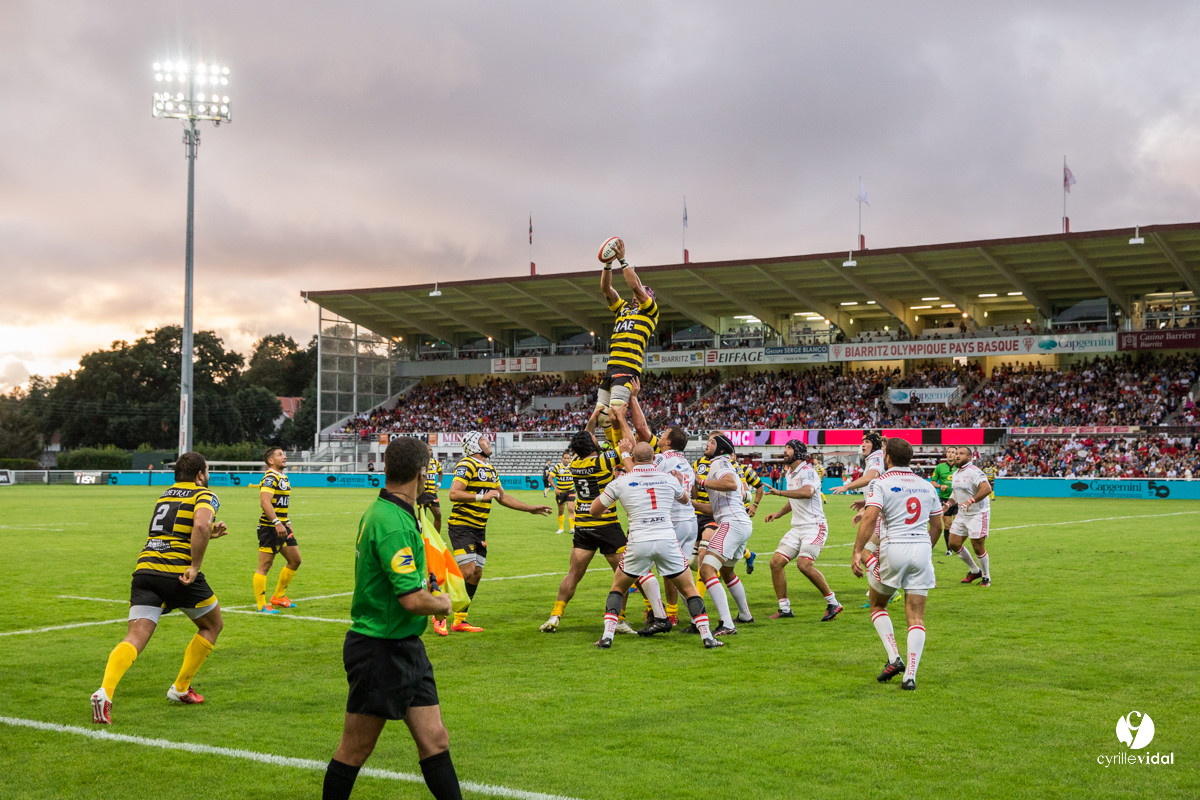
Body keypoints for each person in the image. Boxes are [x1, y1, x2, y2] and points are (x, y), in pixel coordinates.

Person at [322, 437, 463, 800]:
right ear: (422, 473)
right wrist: (443, 603)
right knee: (355, 749)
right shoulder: (394, 523)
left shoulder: (391, 513)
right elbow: (413, 600)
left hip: (405, 646)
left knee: (435, 740)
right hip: (379, 650)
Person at [90, 452, 228, 724]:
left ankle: (105, 691)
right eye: (207, 471)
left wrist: (208, 534)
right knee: (212, 625)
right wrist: (195, 566)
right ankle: (180, 688)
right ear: (200, 474)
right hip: (177, 572)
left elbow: (177, 530)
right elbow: (200, 524)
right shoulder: (205, 494)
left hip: (146, 569)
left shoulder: (165, 495)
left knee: (135, 637)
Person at [589, 441, 723, 649]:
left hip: (638, 541)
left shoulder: (622, 481)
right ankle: (707, 637)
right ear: (654, 458)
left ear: (632, 459)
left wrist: (605, 509)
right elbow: (686, 499)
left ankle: (607, 636)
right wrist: (679, 483)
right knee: (689, 589)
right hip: (667, 540)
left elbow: (594, 510)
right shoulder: (668, 479)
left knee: (617, 587)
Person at [539, 413, 662, 634]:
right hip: (606, 525)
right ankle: (623, 619)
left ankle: (555, 616)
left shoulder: (575, 463)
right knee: (625, 574)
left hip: (583, 527)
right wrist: (623, 432)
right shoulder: (603, 460)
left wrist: (595, 415)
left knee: (573, 574)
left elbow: (586, 438)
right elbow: (632, 448)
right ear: (593, 444)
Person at [851, 438, 943, 691]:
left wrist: (857, 551)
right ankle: (910, 676)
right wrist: (926, 548)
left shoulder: (880, 482)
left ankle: (894, 658)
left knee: (878, 603)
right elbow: (938, 526)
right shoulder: (927, 485)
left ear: (887, 458)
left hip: (894, 547)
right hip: (922, 548)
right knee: (916, 616)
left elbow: (870, 519)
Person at [445, 432, 550, 633]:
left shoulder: (491, 469)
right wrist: (481, 497)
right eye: (484, 440)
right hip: (462, 525)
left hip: (479, 529)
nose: (488, 442)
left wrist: (530, 508)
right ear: (474, 445)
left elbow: (502, 497)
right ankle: (438, 613)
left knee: (476, 574)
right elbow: (454, 493)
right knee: (467, 570)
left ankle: (459, 620)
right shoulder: (467, 464)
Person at [762, 440, 842, 621]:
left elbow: (806, 492)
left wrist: (779, 492)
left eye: (788, 448)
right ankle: (784, 608)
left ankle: (833, 602)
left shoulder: (808, 472)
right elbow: (795, 500)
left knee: (804, 565)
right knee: (775, 563)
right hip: (798, 528)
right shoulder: (790, 473)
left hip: (814, 526)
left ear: (797, 452)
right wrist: (779, 514)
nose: (784, 451)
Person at [595, 238, 659, 446]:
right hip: (612, 367)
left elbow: (635, 286)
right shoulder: (622, 309)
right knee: (604, 416)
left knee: (616, 413)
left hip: (628, 367)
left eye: (641, 294)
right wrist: (607, 264)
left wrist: (622, 260)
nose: (636, 296)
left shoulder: (650, 312)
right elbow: (607, 289)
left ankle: (624, 453)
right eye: (636, 295)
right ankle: (616, 451)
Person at [693, 433, 755, 635]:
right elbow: (715, 508)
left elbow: (730, 484)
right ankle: (745, 614)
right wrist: (690, 503)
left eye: (712, 442)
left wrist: (700, 482)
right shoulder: (722, 463)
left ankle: (727, 624)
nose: (707, 444)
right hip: (739, 522)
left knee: (706, 570)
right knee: (727, 572)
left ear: (720, 449)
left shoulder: (720, 463)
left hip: (732, 523)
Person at [654, 426, 697, 626]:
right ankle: (697, 618)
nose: (660, 436)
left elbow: (642, 471)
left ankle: (669, 613)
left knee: (669, 572)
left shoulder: (664, 459)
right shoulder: (685, 462)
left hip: (674, 521)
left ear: (669, 442)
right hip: (690, 520)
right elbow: (693, 493)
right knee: (682, 573)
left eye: (663, 434)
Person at [253, 446, 301, 614]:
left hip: (282, 526)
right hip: (270, 527)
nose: (284, 457)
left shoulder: (284, 477)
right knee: (265, 566)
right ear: (271, 461)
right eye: (280, 455)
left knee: (295, 560)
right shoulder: (270, 477)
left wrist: (286, 522)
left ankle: (278, 597)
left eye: (284, 454)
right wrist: (276, 522)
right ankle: (261, 605)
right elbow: (265, 502)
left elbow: (281, 505)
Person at [948, 445, 993, 587]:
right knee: (953, 543)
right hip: (963, 512)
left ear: (969, 457)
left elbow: (986, 488)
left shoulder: (974, 472)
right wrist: (948, 504)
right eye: (956, 453)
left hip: (978, 513)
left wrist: (971, 501)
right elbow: (955, 493)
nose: (957, 455)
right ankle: (975, 570)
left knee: (977, 546)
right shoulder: (956, 473)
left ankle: (986, 577)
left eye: (961, 453)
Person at [929, 446, 959, 555]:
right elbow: (932, 482)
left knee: (957, 523)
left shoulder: (960, 467)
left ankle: (958, 545)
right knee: (947, 524)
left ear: (956, 455)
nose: (951, 454)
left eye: (953, 452)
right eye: (949, 452)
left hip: (958, 499)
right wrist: (940, 486)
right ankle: (949, 549)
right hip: (944, 499)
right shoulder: (939, 467)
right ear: (946, 454)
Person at [550, 451, 575, 534]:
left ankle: (572, 528)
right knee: (561, 510)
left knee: (571, 509)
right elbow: (550, 478)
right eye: (565, 458)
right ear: (562, 458)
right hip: (560, 492)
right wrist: (555, 488)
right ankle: (561, 528)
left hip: (570, 491)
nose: (566, 460)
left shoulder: (573, 466)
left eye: (568, 458)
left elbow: (578, 476)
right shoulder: (557, 467)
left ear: (570, 459)